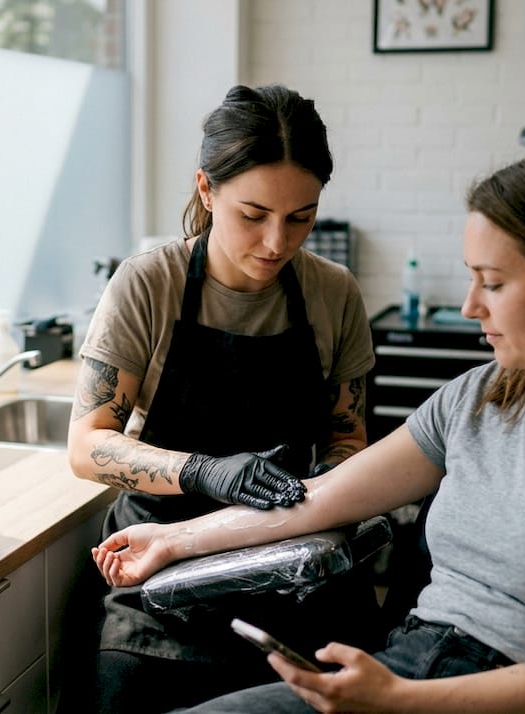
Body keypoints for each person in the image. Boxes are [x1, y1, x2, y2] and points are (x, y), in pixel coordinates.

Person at [92, 148, 525, 713]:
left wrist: (399, 701)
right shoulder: (478, 397)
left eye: (493, 283)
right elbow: (317, 499)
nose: (470, 306)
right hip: (411, 660)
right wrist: (173, 539)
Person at [65, 84, 377, 713]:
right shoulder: (147, 284)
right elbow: (87, 445)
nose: (276, 242)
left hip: (292, 557)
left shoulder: (334, 293)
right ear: (207, 190)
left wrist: (316, 493)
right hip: (160, 568)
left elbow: (348, 439)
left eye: (301, 217)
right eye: (253, 215)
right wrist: (204, 471)